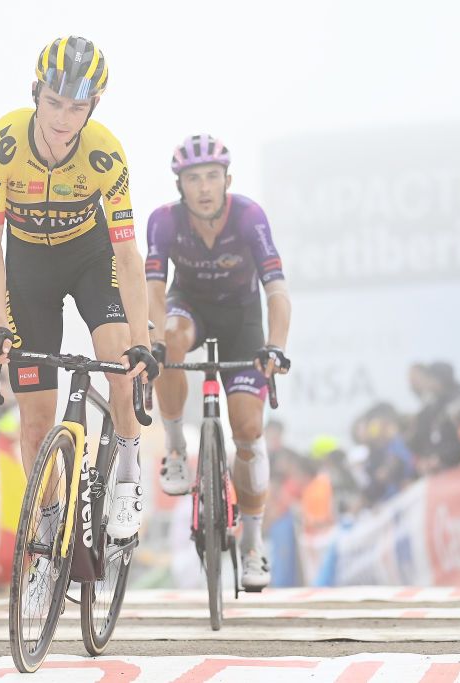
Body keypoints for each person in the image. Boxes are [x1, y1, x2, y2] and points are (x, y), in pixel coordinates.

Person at [0, 36, 157, 541]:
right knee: (34, 422)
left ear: (92, 106)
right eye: (53, 102)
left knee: (121, 362)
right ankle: (48, 525)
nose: (62, 118)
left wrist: (141, 336)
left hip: (89, 258)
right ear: (35, 92)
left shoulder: (106, 154)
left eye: (76, 108)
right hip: (29, 265)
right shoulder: (1, 145)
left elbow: (126, 253)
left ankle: (126, 470)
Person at [145, 134, 291, 590]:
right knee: (167, 341)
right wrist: (151, 337)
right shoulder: (164, 222)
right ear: (180, 185)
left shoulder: (249, 217)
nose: (204, 187)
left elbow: (277, 291)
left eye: (211, 177)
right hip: (188, 307)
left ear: (227, 180)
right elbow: (153, 290)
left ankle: (252, 544)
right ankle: (174, 447)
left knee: (247, 430)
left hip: (241, 322)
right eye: (193, 179)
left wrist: (275, 344)